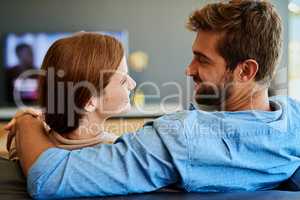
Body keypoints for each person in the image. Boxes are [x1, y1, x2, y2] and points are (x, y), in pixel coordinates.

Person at [5, 0, 300, 199]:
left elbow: (48, 177)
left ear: (246, 70)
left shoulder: (180, 138)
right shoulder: (293, 118)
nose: (188, 69)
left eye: (202, 60)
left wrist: (26, 122)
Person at [6, 32, 136, 159]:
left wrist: (27, 123)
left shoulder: (23, 145)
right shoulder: (116, 156)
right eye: (123, 81)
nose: (133, 84)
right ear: (89, 102)